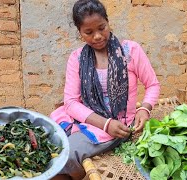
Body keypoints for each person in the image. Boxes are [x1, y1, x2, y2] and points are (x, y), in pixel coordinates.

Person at [50, 0, 160, 179]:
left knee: (65, 155)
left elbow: (153, 85)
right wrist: (104, 123)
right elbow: (70, 102)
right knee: (48, 144)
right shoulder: (77, 58)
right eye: (89, 32)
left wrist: (144, 109)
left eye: (102, 28)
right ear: (80, 33)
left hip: (119, 125)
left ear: (108, 22)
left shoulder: (130, 51)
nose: (98, 36)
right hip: (89, 119)